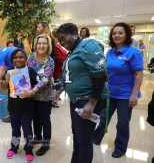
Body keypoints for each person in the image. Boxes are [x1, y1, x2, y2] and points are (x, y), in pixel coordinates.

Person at [54, 23, 108, 163]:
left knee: (84, 139)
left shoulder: (88, 45)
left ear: (74, 33)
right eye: (59, 41)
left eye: (63, 38)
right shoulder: (73, 50)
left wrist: (91, 103)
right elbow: (69, 74)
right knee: (77, 135)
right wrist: (61, 89)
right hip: (76, 101)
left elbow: (100, 75)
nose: (62, 43)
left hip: (88, 100)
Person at [93, 22, 144, 158]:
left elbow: (139, 74)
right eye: (114, 33)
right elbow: (108, 72)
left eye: (120, 33)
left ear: (127, 35)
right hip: (110, 93)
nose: (117, 35)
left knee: (122, 123)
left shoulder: (134, 52)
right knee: (103, 118)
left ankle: (120, 147)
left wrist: (134, 94)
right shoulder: (110, 53)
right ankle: (96, 138)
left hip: (126, 95)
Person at [19, 34, 55, 156]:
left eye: (44, 43)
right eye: (39, 43)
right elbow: (24, 72)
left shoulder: (50, 61)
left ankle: (46, 144)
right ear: (35, 45)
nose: (41, 45)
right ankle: (38, 136)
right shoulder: (30, 57)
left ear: (48, 45)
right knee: (35, 117)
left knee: (45, 119)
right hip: (32, 95)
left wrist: (32, 91)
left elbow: (44, 80)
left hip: (45, 95)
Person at [2, 48, 38, 162]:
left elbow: (36, 88)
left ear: (26, 59)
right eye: (16, 58)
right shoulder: (9, 70)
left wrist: (31, 93)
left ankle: (28, 149)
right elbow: (3, 87)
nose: (18, 59)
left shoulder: (30, 71)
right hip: (13, 106)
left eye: (21, 57)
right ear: (12, 60)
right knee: (15, 128)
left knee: (27, 129)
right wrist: (6, 81)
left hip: (27, 106)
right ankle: (14, 147)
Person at [52, 28, 68, 108]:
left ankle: (55, 101)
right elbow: (57, 58)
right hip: (57, 70)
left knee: (58, 86)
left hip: (61, 69)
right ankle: (54, 101)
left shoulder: (59, 45)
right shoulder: (54, 46)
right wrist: (66, 58)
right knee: (56, 86)